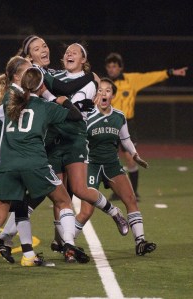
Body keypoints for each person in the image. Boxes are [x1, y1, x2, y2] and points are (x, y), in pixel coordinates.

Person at [0, 66, 90, 271]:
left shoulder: (10, 101)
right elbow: (76, 117)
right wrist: (57, 98)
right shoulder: (44, 107)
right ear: (40, 84)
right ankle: (69, 243)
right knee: (63, 201)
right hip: (34, 164)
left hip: (8, 165)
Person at [38, 42, 129, 252]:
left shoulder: (88, 84)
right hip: (53, 139)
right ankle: (62, 241)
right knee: (60, 194)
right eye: (67, 52)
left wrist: (53, 98)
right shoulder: (57, 76)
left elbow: (74, 110)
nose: (69, 54)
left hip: (74, 138)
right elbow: (50, 82)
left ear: (83, 60)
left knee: (79, 189)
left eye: (75, 52)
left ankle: (113, 212)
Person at [75, 77, 156, 255]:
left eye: (108, 91)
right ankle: (68, 243)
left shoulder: (119, 116)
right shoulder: (87, 115)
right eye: (100, 90)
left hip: (112, 164)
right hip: (92, 165)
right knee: (86, 211)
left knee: (131, 200)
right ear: (96, 94)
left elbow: (125, 140)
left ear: (113, 95)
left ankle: (140, 242)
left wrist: (135, 155)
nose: (104, 93)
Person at [105, 52, 188, 201]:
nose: (112, 69)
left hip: (126, 124)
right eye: (109, 66)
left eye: (114, 66)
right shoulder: (104, 84)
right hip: (109, 123)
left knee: (130, 158)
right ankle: (117, 191)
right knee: (110, 159)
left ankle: (134, 192)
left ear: (120, 68)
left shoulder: (132, 80)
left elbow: (151, 76)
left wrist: (170, 73)